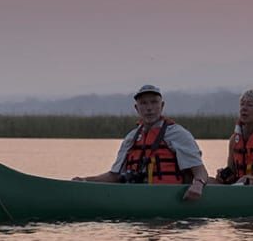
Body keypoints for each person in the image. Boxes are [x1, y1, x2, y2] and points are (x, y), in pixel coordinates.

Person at [73, 84, 208, 201]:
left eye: (154, 102)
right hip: (135, 197)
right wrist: (85, 181)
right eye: (143, 103)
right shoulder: (131, 138)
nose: (149, 108)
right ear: (137, 108)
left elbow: (200, 171)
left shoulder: (178, 134)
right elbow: (114, 175)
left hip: (170, 197)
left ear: (162, 106)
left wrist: (198, 185)